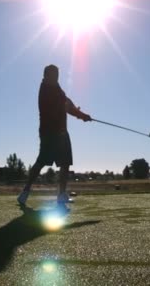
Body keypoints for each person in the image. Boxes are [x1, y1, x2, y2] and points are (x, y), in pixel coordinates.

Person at [17, 64, 91, 210]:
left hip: (62, 132)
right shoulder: (45, 88)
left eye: (57, 74)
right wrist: (79, 114)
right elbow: (65, 105)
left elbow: (67, 103)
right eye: (53, 74)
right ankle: (25, 191)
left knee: (65, 163)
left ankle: (61, 195)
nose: (56, 77)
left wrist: (81, 115)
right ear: (46, 75)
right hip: (49, 132)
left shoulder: (57, 89)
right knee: (41, 162)